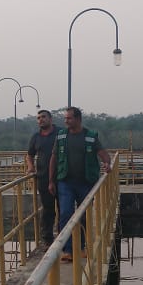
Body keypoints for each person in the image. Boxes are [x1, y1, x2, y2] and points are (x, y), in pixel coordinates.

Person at [48, 106, 111, 261]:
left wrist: (107, 163)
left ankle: (81, 247)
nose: (66, 121)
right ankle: (68, 250)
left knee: (84, 216)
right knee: (65, 213)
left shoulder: (90, 136)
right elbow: (54, 158)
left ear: (78, 119)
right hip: (65, 182)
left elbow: (103, 154)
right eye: (65, 118)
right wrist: (51, 181)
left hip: (86, 182)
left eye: (69, 118)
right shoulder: (61, 136)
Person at [25, 109, 60, 247]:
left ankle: (64, 238)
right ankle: (47, 239)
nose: (41, 119)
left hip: (62, 177)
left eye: (44, 117)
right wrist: (30, 167)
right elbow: (30, 155)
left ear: (50, 119)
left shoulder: (60, 133)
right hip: (43, 178)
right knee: (47, 209)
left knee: (64, 209)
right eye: (38, 118)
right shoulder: (36, 137)